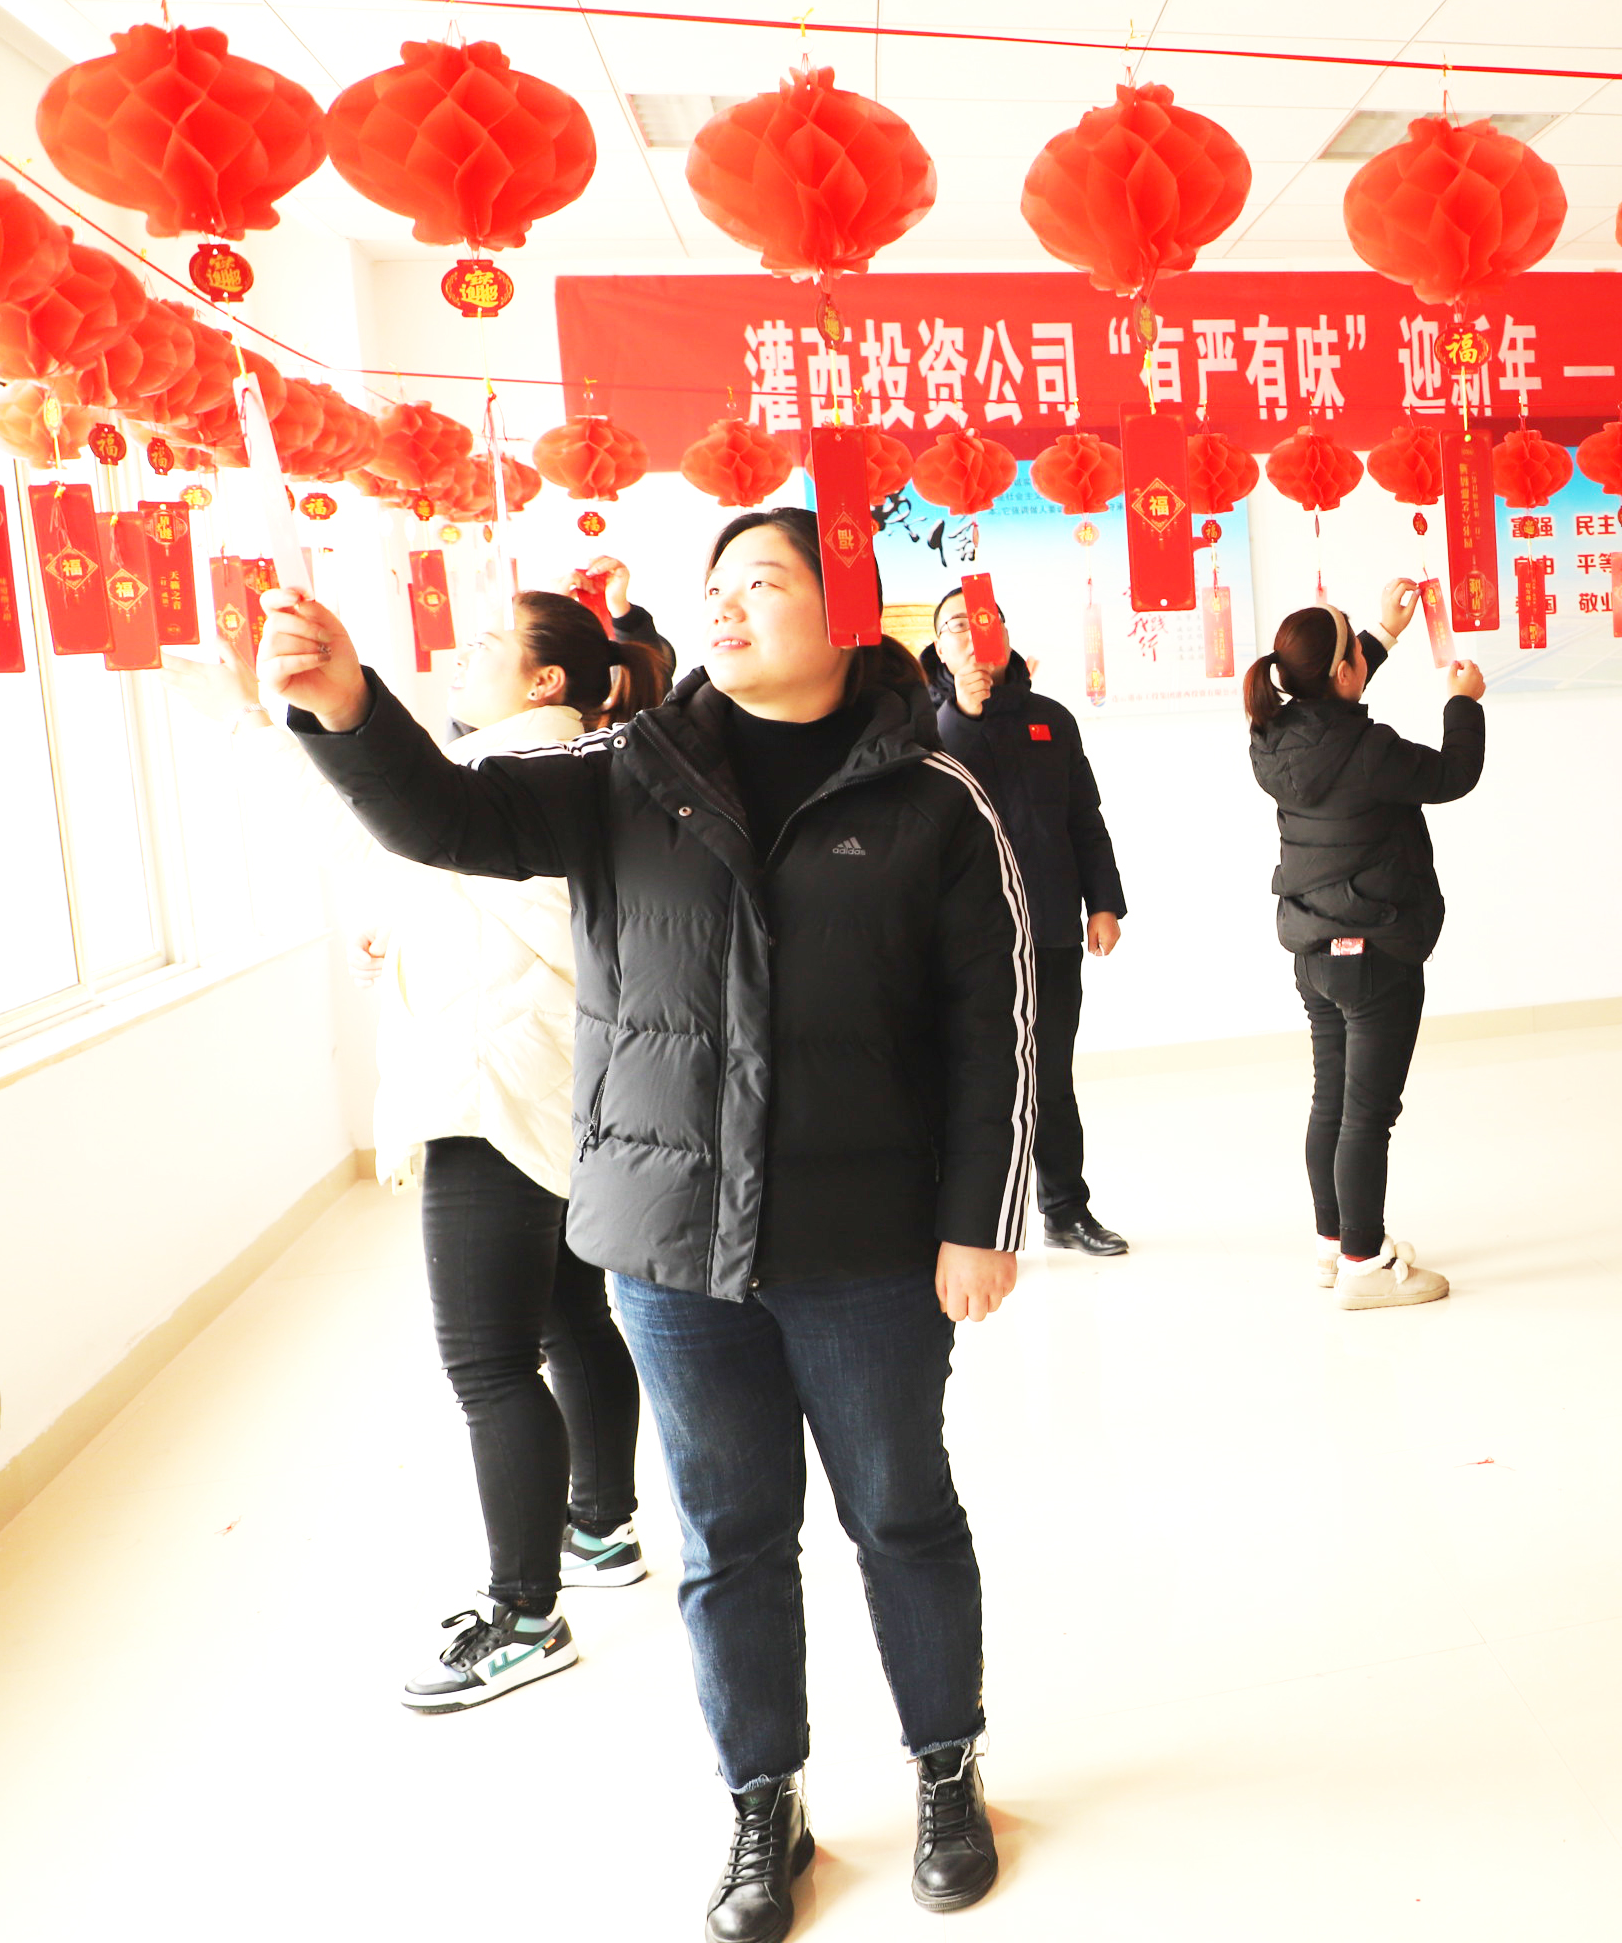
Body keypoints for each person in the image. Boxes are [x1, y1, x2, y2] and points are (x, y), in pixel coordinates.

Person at [262, 509, 1034, 1941]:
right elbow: (449, 817)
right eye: (716, 585)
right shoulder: (627, 769)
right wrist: (349, 712)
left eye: (764, 582)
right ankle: (763, 1797)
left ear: (845, 612)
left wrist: (980, 1220)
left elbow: (998, 1027)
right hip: (677, 1248)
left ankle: (946, 1765)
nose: (726, 606)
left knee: (899, 1514)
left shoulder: (936, 797)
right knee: (729, 1535)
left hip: (869, 1244)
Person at [363, 592, 667, 1712]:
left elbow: (556, 921)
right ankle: (601, 1529)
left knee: (487, 1363)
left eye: (489, 642)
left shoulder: (520, 779)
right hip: (543, 1078)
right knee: (570, 1317)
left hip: (494, 1089)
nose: (462, 653)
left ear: (546, 681)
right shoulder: (543, 769)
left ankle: (525, 1616)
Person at [1246, 583, 1484, 1309]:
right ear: (1345, 671)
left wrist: (1383, 629)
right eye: (1356, 648)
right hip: (1377, 951)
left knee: (1332, 1100)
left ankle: (1332, 1244)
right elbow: (1454, 774)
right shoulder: (1370, 750)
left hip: (1314, 951)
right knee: (1367, 1115)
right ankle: (1363, 1265)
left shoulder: (1273, 736)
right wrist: (1464, 703)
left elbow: (1328, 700)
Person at [926, 585, 1132, 1257]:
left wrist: (1103, 903)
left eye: (984, 621)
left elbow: (1084, 818)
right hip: (966, 938)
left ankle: (1065, 1210)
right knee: (964, 1077)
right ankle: (960, 1225)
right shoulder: (927, 724)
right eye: (956, 625)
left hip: (1049, 929)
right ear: (939, 646)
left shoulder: (1051, 720)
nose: (972, 634)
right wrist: (965, 711)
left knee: (1049, 1078)